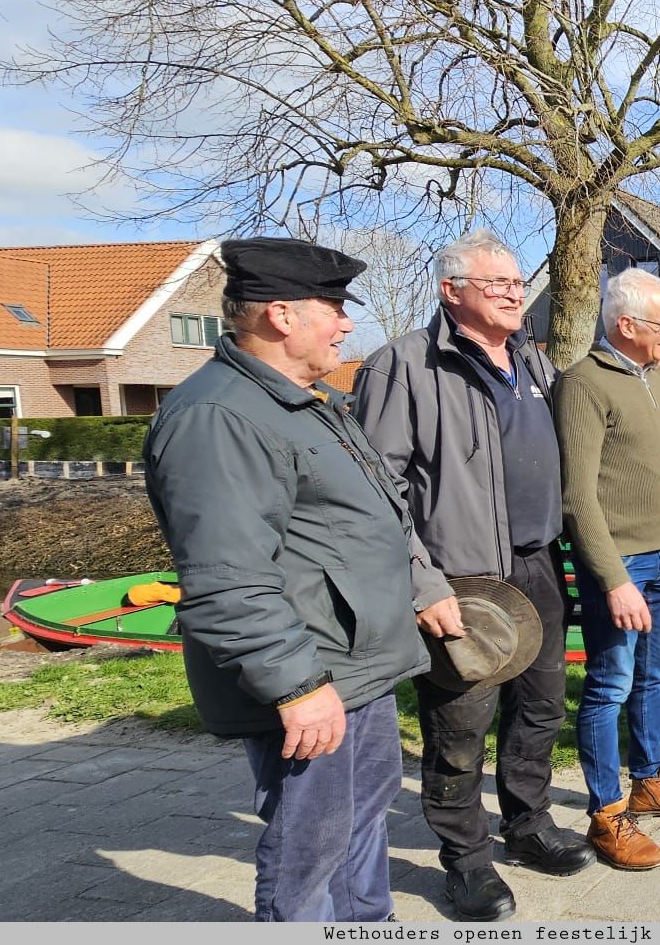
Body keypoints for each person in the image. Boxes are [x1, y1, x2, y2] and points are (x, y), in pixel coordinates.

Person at [144, 237, 434, 921]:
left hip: (355, 665)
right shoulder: (218, 416)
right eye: (332, 306)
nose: (345, 322)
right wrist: (296, 685)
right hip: (311, 676)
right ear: (279, 313)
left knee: (361, 821)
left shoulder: (304, 401)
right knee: (310, 845)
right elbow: (227, 576)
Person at [352, 229, 594, 920]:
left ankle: (528, 823)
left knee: (542, 705)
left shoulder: (533, 363)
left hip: (540, 563)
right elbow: (374, 493)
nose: (518, 294)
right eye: (499, 285)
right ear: (450, 290)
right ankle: (466, 860)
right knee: (460, 726)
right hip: (463, 579)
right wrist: (422, 585)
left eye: (519, 283)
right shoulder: (404, 367)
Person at [556, 267, 660, 872]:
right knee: (609, 685)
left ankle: (650, 778)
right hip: (621, 562)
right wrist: (613, 579)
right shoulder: (583, 384)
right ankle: (606, 812)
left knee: (656, 676)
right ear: (625, 325)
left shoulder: (654, 374)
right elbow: (578, 497)